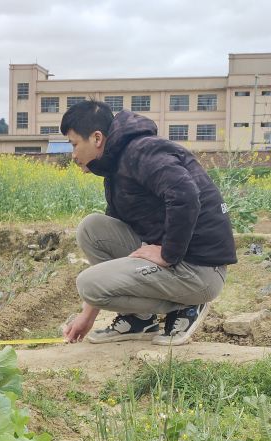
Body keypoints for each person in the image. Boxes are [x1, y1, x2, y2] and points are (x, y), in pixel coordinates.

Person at [61, 100, 237, 346]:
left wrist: (167, 253)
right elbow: (115, 229)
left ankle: (188, 304)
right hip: (182, 259)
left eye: (74, 144)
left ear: (97, 138)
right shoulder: (116, 166)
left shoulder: (140, 152)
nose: (74, 155)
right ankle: (139, 319)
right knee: (92, 230)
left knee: (88, 284)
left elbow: (185, 194)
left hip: (200, 268)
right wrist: (86, 316)